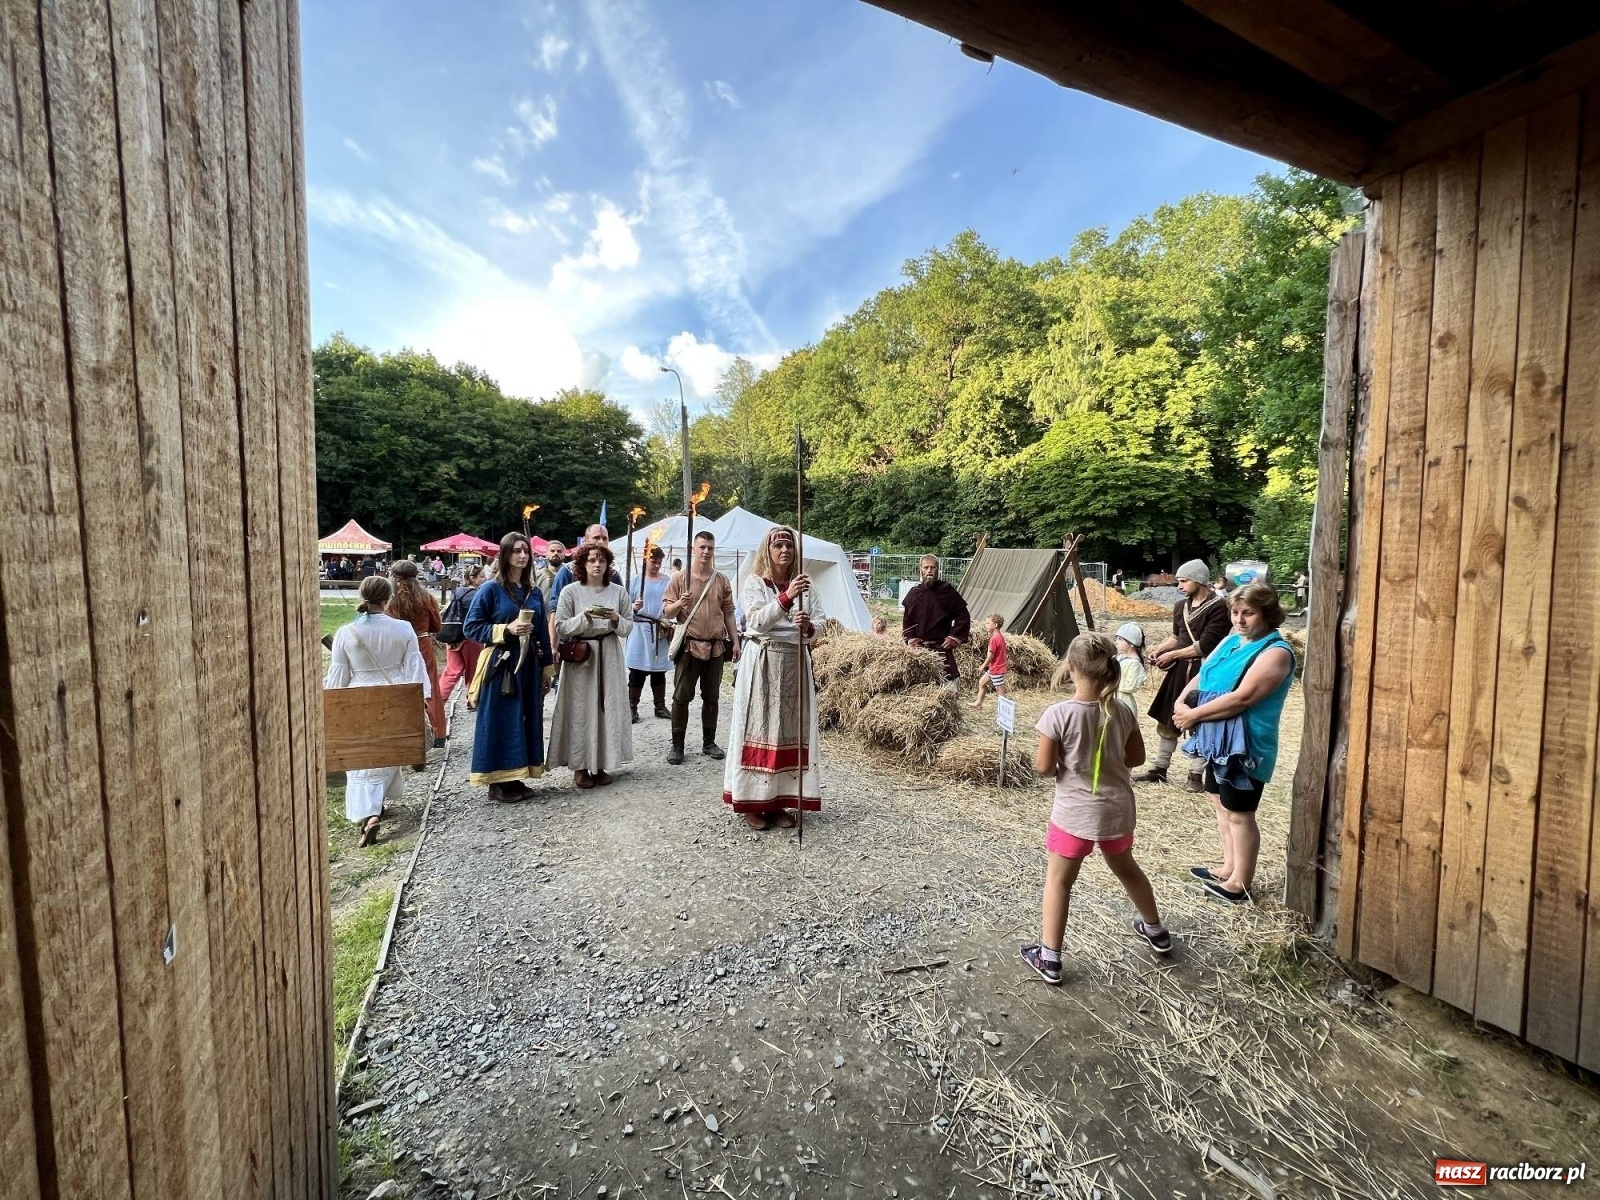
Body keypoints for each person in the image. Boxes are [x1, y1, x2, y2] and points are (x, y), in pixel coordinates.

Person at [1019, 632, 1171, 984]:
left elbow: (1043, 768)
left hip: (1074, 815)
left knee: (1059, 882)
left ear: (1070, 668)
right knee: (1128, 870)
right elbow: (1137, 758)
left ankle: (1050, 957)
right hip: (1117, 811)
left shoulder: (1057, 714)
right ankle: (1155, 929)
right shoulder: (1122, 710)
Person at [1173, 583, 1296, 905]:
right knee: (1220, 804)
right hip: (1217, 739)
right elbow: (1204, 672)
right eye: (1235, 612)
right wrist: (1181, 701)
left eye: (1248, 613)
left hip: (1246, 745)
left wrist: (1193, 714)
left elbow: (1242, 698)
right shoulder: (1232, 640)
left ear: (1268, 615)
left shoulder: (1276, 653)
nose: (1239, 620)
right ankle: (1228, 866)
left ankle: (1240, 883)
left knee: (1240, 813)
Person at [723, 526, 823, 830]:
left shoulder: (807, 585)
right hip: (763, 662)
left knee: (788, 732)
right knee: (759, 730)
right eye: (778, 546)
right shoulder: (754, 583)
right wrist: (786, 598)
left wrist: (808, 626)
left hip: (794, 662)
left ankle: (779, 800)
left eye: (789, 546)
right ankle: (752, 802)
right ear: (767, 550)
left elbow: (823, 624)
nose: (784, 551)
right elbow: (756, 621)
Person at [324, 576, 431, 846]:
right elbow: (414, 668)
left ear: (362, 597)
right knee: (388, 751)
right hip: (395, 693)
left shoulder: (347, 632)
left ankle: (369, 814)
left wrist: (334, 704)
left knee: (362, 756)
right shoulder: (403, 629)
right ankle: (376, 806)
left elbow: (338, 675)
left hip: (358, 695)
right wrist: (420, 697)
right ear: (389, 599)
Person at [464, 533, 553, 802]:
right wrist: (507, 629)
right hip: (501, 664)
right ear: (505, 555)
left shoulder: (534, 592)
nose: (523, 556)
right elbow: (471, 627)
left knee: (525, 717)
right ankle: (497, 782)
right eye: (516, 551)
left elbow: (542, 634)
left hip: (528, 665)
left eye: (526, 551)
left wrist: (547, 668)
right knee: (500, 720)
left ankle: (516, 776)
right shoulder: (490, 589)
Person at [1136, 559, 1230, 790]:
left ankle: (1195, 775)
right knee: (1168, 719)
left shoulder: (1219, 607)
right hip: (1179, 671)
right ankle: (1160, 768)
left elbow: (1206, 645)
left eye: (1184, 580)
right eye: (1179, 580)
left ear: (1198, 580)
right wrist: (1160, 650)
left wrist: (1173, 655)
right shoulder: (1180, 606)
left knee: (1200, 720)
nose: (1179, 585)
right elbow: (1177, 636)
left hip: (1204, 672)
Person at [547, 544, 633, 788]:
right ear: (583, 564)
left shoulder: (618, 592)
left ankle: (602, 763)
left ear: (608, 565)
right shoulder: (570, 592)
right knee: (581, 709)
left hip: (609, 654)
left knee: (607, 708)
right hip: (582, 657)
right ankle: (581, 766)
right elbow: (561, 626)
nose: (597, 564)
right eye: (592, 560)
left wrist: (615, 618)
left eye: (602, 560)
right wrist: (583, 617)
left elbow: (628, 627)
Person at [662, 531, 738, 765]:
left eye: (710, 548)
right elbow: (667, 612)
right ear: (693, 549)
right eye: (702, 547)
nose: (706, 551)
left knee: (712, 697)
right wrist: (679, 603)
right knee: (681, 697)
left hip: (715, 646)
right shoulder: (679, 579)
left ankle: (709, 742)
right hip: (689, 645)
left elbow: (729, 612)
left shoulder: (721, 580)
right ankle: (677, 745)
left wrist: (735, 642)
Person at [388, 559, 446, 748]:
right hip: (422, 643)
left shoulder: (389, 599)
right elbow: (436, 625)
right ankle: (437, 733)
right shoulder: (426, 597)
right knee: (430, 688)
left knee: (402, 687)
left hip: (398, 646)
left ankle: (407, 733)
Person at [901, 555, 970, 682]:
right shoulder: (914, 593)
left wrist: (954, 637)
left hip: (941, 648)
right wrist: (910, 639)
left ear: (937, 569)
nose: (929, 571)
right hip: (919, 650)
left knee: (947, 686)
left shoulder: (947, 591)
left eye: (932, 567)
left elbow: (963, 616)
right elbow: (907, 621)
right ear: (920, 569)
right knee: (918, 685)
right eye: (926, 567)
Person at [625, 545, 672, 722]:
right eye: (653, 561)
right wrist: (633, 607)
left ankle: (660, 707)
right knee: (636, 671)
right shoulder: (635, 581)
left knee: (658, 671)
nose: (657, 565)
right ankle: (632, 708)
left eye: (660, 562)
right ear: (646, 560)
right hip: (639, 630)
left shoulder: (667, 581)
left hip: (659, 629)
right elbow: (624, 608)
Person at [439, 563, 486, 708]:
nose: (485, 579)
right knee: (474, 670)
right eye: (482, 576)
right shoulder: (476, 595)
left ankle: (438, 701)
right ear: (473, 578)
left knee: (452, 671)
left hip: (452, 635)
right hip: (470, 638)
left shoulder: (458, 592)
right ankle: (472, 700)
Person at [970, 613, 1008, 709]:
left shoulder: (994, 638)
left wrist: (983, 666)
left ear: (995, 625)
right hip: (994, 668)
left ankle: (1005, 711)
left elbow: (991, 655)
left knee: (1000, 691)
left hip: (997, 669)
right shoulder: (999, 636)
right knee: (982, 682)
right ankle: (979, 703)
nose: (985, 625)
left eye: (988, 623)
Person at [1114, 622, 1148, 715]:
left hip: (1123, 703)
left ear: (1132, 643)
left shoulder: (1134, 664)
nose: (1116, 642)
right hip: (1113, 698)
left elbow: (1130, 686)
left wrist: (1112, 682)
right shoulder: (1119, 657)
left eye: (1120, 639)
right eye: (1116, 639)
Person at [536, 540, 566, 607]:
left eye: (559, 551)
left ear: (564, 555)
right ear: (547, 554)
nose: (555, 553)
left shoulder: (570, 575)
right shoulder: (536, 576)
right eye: (552, 551)